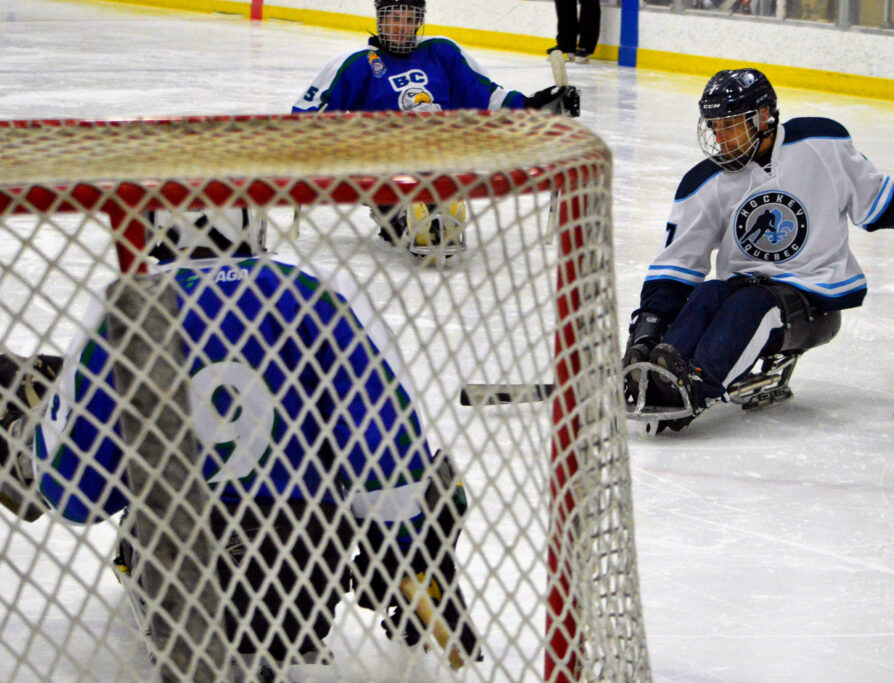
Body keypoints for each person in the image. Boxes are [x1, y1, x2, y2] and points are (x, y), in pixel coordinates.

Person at [0, 208, 479, 678]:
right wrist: (406, 553)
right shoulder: (320, 290)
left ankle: (21, 425)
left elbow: (71, 494)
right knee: (425, 485)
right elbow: (388, 452)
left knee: (89, 442)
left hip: (175, 580)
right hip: (300, 582)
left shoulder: (125, 303)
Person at [623, 68, 894, 429]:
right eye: (715, 127)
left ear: (764, 116)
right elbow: (676, 267)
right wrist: (646, 334)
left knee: (751, 306)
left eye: (731, 125)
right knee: (708, 292)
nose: (721, 139)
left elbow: (883, 201)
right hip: (740, 291)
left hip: (812, 300)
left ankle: (695, 386)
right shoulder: (706, 181)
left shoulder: (823, 145)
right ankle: (657, 370)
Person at [292, 0, 580, 259]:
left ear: (419, 21)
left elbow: (486, 96)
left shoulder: (442, 51)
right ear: (380, 19)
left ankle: (433, 206)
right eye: (394, 18)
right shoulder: (355, 62)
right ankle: (393, 209)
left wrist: (536, 103)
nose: (401, 27)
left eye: (409, 19)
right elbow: (311, 111)